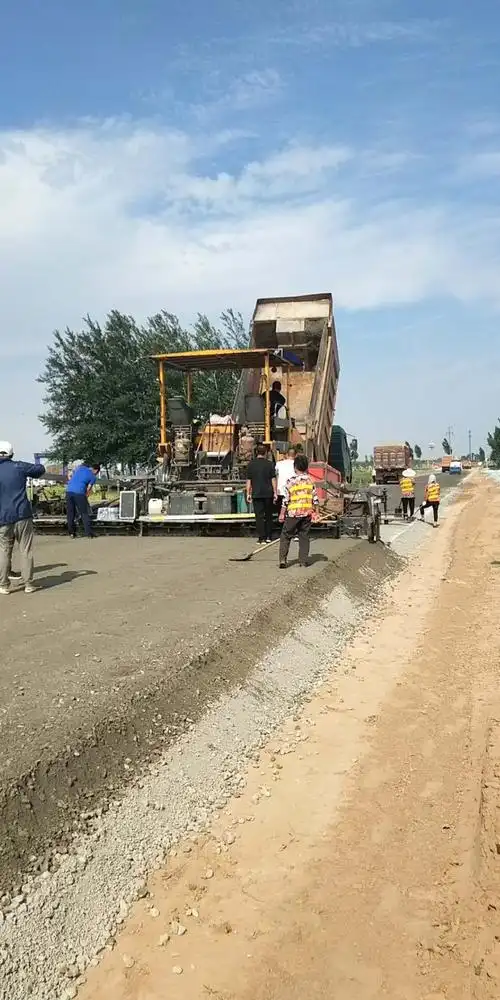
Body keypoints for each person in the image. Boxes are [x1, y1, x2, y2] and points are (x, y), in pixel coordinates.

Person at [0, 441, 45, 595]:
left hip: (3, 517)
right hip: (22, 514)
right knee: (25, 549)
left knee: (4, 550)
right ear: (11, 454)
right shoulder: (18, 466)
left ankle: (3, 585)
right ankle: (28, 584)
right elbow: (40, 469)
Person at [278, 453, 319, 569]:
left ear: (295, 467)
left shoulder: (290, 481)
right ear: (306, 467)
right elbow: (315, 499)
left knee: (286, 535)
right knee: (304, 536)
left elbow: (286, 500)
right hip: (307, 513)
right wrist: (317, 512)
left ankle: (283, 560)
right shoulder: (311, 481)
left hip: (293, 513)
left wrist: (282, 513)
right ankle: (303, 561)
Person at [246, 444, 277, 544]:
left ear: (256, 452)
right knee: (268, 515)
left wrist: (248, 493)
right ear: (266, 453)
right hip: (268, 493)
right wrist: (275, 492)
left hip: (256, 493)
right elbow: (273, 479)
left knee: (259, 517)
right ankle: (268, 536)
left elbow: (249, 480)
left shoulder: (251, 464)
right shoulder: (270, 464)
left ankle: (261, 538)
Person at [66, 462, 100, 538]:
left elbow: (70, 475)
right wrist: (85, 496)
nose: (96, 474)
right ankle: (89, 534)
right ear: (96, 470)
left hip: (68, 492)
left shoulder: (80, 468)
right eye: (96, 473)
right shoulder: (93, 477)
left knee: (70, 513)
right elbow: (88, 489)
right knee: (84, 513)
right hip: (79, 493)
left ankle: (72, 533)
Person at [275, 447, 296, 516]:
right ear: (295, 455)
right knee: (291, 511)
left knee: (280, 511)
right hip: (293, 491)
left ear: (287, 455)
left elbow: (275, 475)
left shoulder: (279, 463)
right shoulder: (297, 464)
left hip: (280, 490)